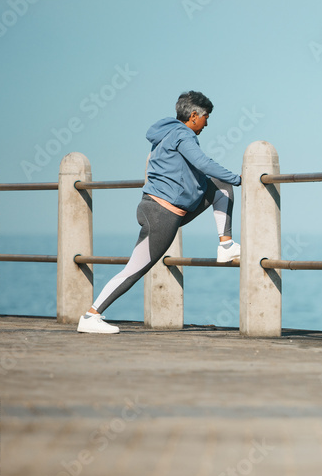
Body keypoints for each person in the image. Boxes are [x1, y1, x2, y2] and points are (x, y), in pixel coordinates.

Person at [78, 91, 242, 334]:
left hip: (164, 209)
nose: (207, 123)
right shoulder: (182, 134)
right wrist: (241, 178)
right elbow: (203, 163)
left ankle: (225, 245)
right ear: (194, 115)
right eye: (206, 117)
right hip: (161, 216)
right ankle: (91, 316)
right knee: (134, 270)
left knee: (220, 186)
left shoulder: (166, 134)